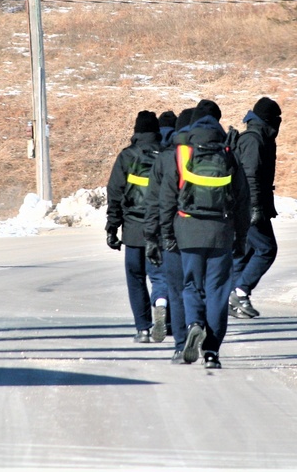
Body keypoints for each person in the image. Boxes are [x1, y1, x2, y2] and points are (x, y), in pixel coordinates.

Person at [158, 99, 250, 368]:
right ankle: (211, 352)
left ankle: (194, 322)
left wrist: (167, 233)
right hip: (221, 231)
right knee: (218, 291)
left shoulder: (182, 151)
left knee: (191, 285)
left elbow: (167, 198)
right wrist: (241, 237)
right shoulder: (228, 151)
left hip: (187, 228)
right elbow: (243, 200)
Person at [106, 110, 168, 343]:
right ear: (157, 132)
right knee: (160, 276)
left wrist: (112, 227)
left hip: (132, 229)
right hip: (160, 228)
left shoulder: (127, 156)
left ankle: (143, 329)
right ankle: (161, 303)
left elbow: (115, 193)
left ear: (136, 131)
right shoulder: (167, 155)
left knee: (136, 278)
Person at [144, 108, 192, 363]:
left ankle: (166, 314)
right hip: (199, 230)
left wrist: (152, 236)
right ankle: (199, 331)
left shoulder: (163, 157)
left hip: (166, 230)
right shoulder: (195, 154)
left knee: (169, 283)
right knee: (194, 286)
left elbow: (154, 201)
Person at [230, 97, 282, 319]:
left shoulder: (259, 137)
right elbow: (250, 176)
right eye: (277, 119)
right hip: (247, 206)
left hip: (246, 205)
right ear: (269, 119)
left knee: (245, 251)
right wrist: (255, 209)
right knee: (266, 249)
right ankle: (239, 293)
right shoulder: (254, 140)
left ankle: (231, 297)